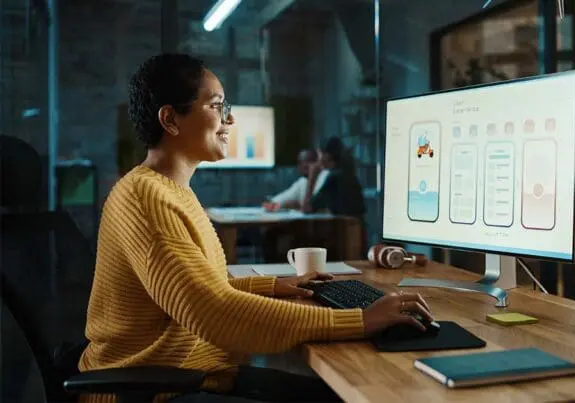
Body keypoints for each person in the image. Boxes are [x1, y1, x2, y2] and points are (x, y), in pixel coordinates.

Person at [79, 53, 432, 403]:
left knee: (334, 394)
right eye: (217, 106)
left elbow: (202, 287)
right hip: (151, 390)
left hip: (188, 375)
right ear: (170, 119)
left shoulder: (171, 191)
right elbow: (212, 312)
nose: (229, 119)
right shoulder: (144, 197)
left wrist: (275, 286)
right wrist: (360, 321)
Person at [301, 137, 365, 218]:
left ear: (326, 156)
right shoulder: (347, 174)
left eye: (319, 154)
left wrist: (312, 177)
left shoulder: (334, 178)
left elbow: (306, 208)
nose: (317, 160)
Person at [262, 149, 329, 212]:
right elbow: (280, 200)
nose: (299, 167)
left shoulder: (326, 177)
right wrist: (275, 203)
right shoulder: (303, 181)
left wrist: (298, 206)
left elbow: (310, 208)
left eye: (301, 162)